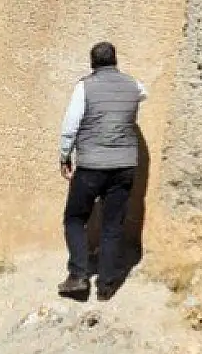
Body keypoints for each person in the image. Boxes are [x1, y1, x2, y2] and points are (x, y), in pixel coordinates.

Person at [57, 40, 147, 300]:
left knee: (74, 219)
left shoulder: (85, 87)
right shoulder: (134, 85)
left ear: (92, 63)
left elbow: (70, 126)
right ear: (115, 60)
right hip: (125, 166)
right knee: (112, 225)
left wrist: (65, 157)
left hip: (91, 166)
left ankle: (78, 275)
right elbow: (144, 93)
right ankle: (106, 287)